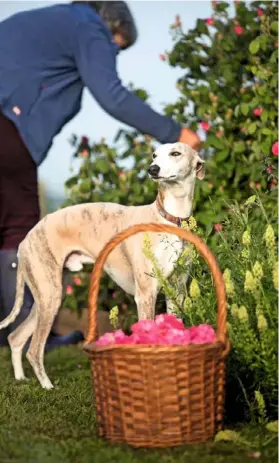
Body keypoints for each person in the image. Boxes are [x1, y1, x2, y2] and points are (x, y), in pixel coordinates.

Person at [0, 1, 201, 348]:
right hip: (8, 128)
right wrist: (174, 132)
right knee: (18, 227)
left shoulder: (48, 22)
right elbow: (111, 95)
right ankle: (25, 334)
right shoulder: (88, 26)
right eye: (115, 47)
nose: (110, 56)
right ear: (112, 27)